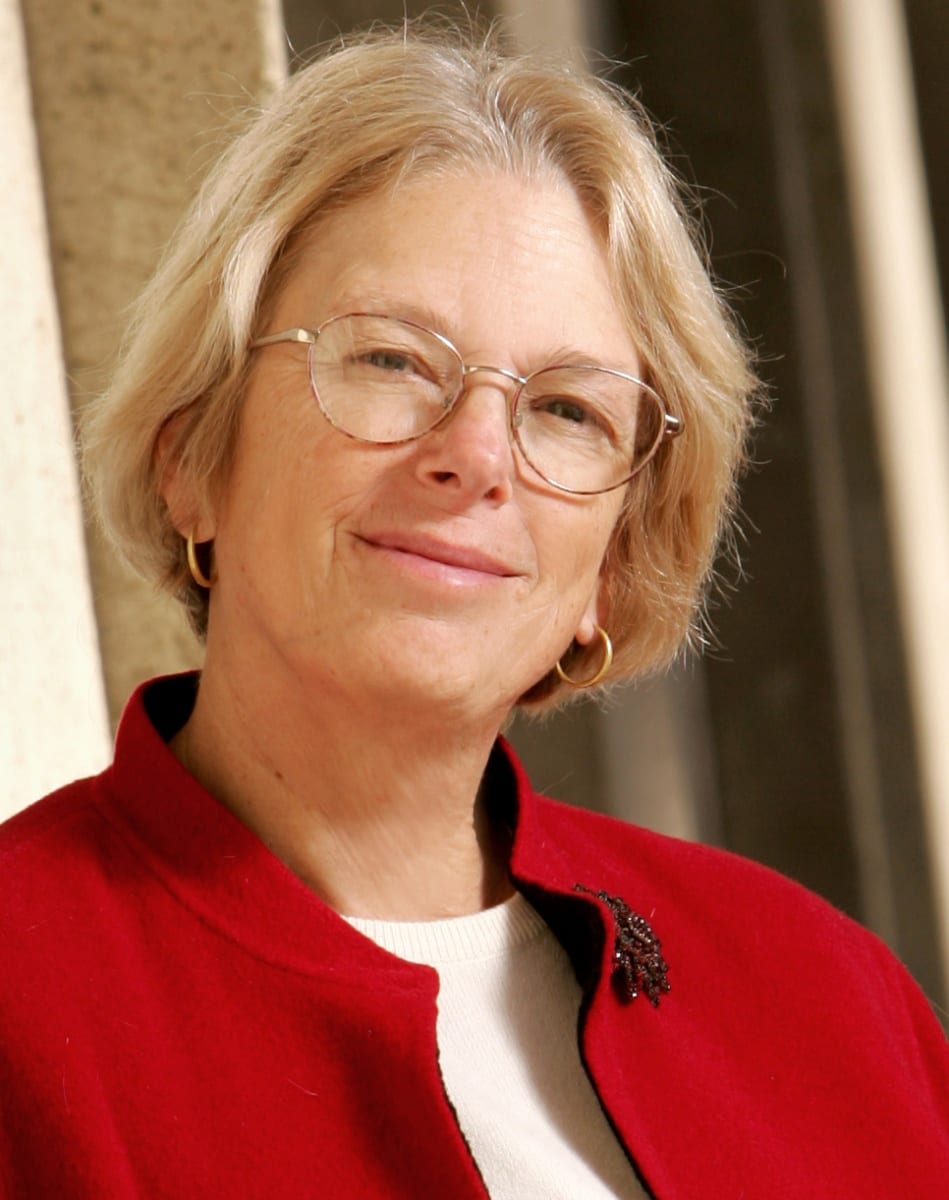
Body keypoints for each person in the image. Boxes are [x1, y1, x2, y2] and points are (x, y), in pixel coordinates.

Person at [1, 24, 946, 1200]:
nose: (475, 458)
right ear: (193, 451)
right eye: (391, 359)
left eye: (565, 410)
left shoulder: (827, 998)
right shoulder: (19, 996)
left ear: (611, 565)